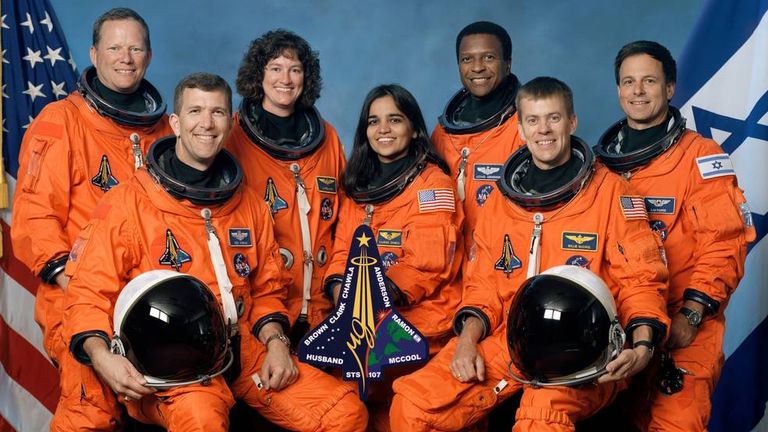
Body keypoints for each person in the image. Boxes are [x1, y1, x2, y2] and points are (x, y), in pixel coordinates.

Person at [61, 72, 367, 431]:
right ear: (175, 122)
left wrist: (277, 343)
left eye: (217, 113)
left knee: (345, 412)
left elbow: (268, 289)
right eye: (195, 112)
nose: (206, 124)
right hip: (174, 367)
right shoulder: (129, 203)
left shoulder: (250, 205)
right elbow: (86, 293)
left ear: (230, 122)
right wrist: (102, 357)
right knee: (202, 420)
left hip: (245, 351)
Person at [390, 77, 670, 431]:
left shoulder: (612, 195)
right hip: (510, 338)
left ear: (572, 122)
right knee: (413, 404)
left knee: (542, 414)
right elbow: (483, 289)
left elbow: (641, 280)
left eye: (553, 118)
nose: (544, 130)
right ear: (520, 129)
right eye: (534, 120)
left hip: (587, 347)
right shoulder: (500, 203)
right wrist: (466, 341)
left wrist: (642, 345)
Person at [10, 7, 172, 429]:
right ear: (94, 54)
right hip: (81, 298)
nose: (126, 57)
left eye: (135, 48)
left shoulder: (164, 136)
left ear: (149, 57)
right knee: (91, 412)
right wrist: (83, 290)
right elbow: (36, 220)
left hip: (147, 300)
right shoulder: (61, 123)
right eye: (115, 47)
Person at [594, 41, 755, 431]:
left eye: (649, 81)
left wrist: (692, 314)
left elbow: (725, 243)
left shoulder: (700, 157)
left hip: (684, 327)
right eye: (628, 82)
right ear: (618, 90)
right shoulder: (599, 166)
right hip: (620, 327)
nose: (637, 91)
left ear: (669, 88)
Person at [323, 84, 463, 431]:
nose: (382, 129)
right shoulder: (358, 186)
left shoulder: (433, 186)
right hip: (363, 324)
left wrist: (369, 305)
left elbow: (425, 266)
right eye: (373, 121)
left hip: (422, 327)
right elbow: (342, 251)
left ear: (414, 128)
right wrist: (344, 301)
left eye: (394, 120)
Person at [226, 29, 345, 346]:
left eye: (295, 69)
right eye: (275, 68)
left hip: (324, 306)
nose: (286, 79)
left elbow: (345, 219)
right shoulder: (232, 138)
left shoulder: (328, 138)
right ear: (259, 74)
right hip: (263, 311)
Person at [432, 21, 526, 237]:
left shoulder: (527, 126)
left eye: (488, 57)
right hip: (451, 258)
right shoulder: (443, 132)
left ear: (508, 63)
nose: (477, 67)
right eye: (467, 59)